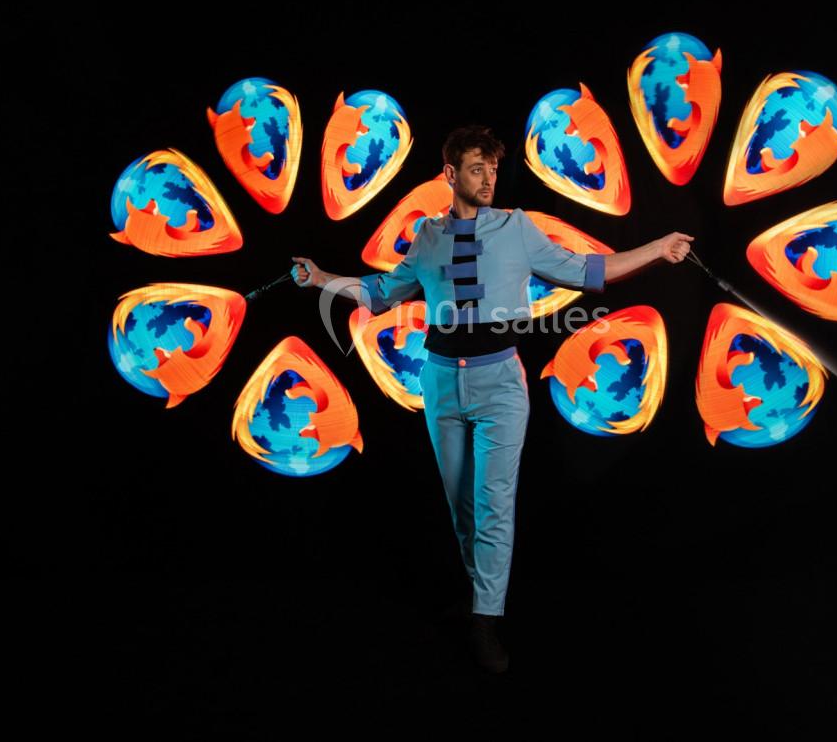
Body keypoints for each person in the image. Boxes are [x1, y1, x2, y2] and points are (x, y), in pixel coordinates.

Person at [291, 125, 693, 673]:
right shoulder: (427, 237)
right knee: (461, 505)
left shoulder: (517, 229)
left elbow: (588, 272)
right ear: (451, 175)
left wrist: (657, 249)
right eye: (476, 169)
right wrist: (319, 279)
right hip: (438, 381)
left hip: (500, 382)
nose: (487, 179)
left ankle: (486, 620)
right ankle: (478, 597)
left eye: (493, 169)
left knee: (494, 504)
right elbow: (379, 294)